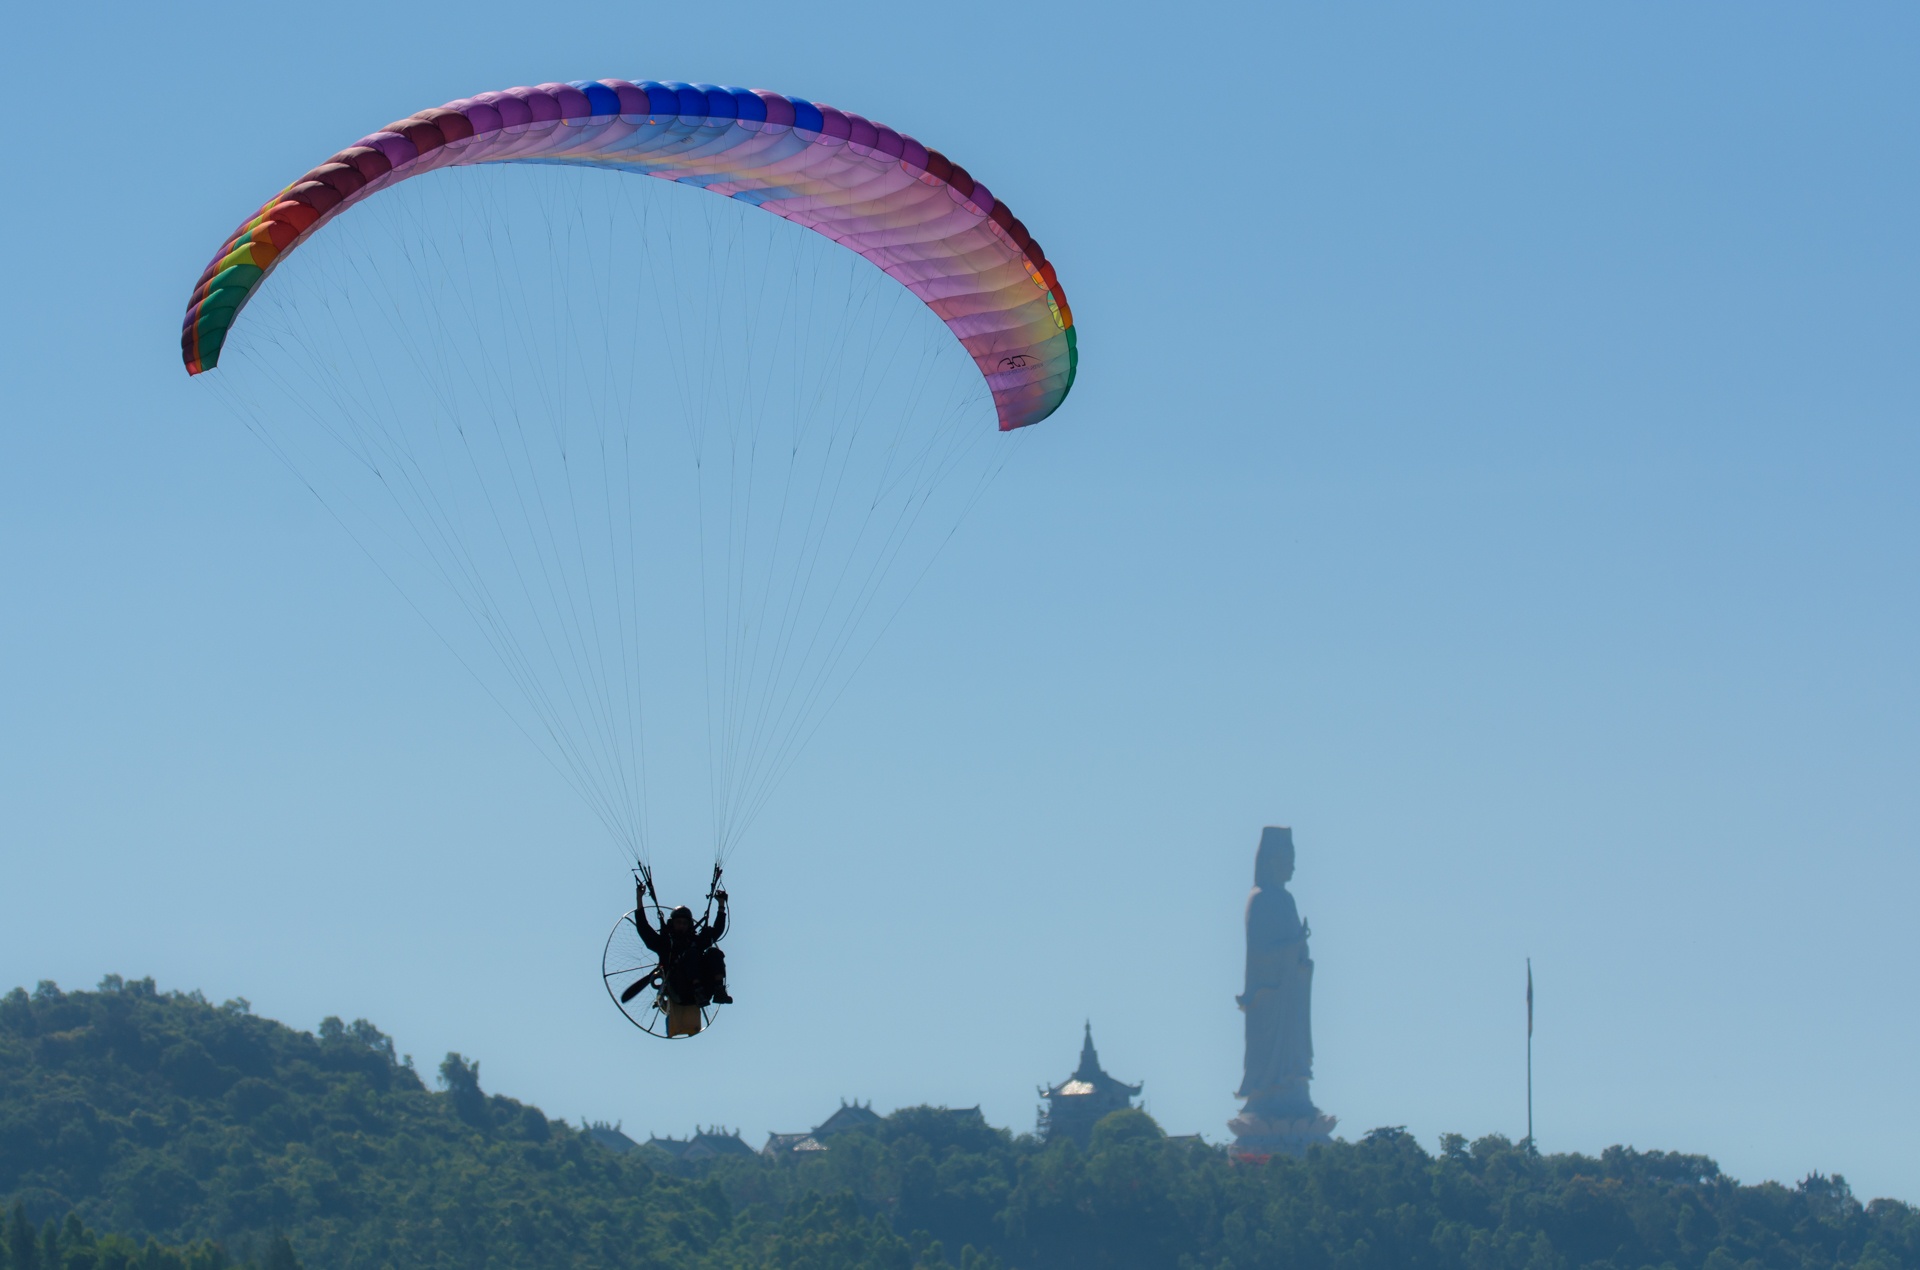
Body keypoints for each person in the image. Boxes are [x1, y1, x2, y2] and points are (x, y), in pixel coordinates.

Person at [632, 881, 732, 1007]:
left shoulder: (696, 942)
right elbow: (644, 929)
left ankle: (719, 990)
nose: (681, 926)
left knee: (713, 952)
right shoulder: (665, 945)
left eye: (685, 923)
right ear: (672, 924)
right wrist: (639, 898)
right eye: (678, 922)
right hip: (680, 990)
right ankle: (697, 990)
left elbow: (717, 930)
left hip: (705, 991)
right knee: (690, 954)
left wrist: (721, 904)